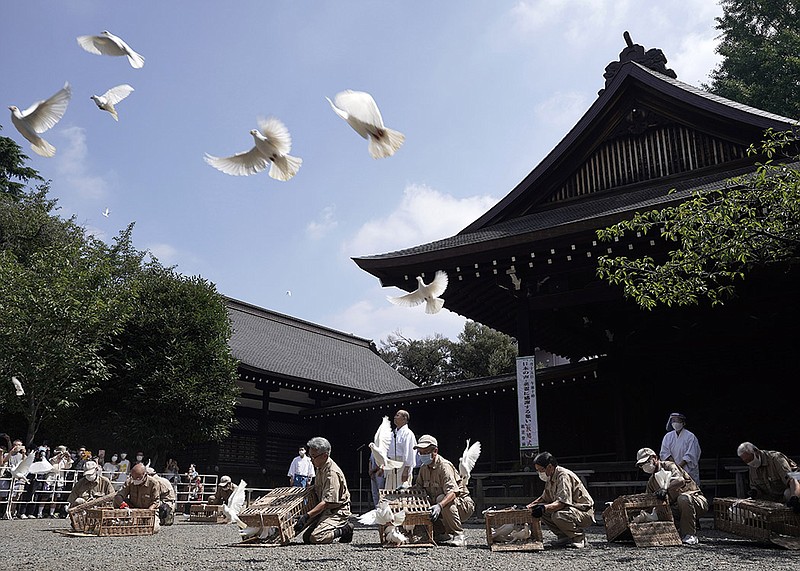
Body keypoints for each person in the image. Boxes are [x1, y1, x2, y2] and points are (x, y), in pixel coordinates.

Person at [412, 434, 474, 547]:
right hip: (440, 504)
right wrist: (406, 489)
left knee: (441, 498)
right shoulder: (423, 468)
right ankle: (440, 533)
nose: (422, 455)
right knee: (421, 500)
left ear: (435, 451)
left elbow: (453, 492)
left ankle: (458, 534)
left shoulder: (444, 467)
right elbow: (419, 489)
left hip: (462, 505)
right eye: (420, 452)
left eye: (425, 452)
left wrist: (439, 506)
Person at [636, 447, 708, 545]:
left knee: (683, 498)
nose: (645, 466)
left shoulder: (669, 466)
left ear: (655, 458)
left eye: (646, 461)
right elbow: (648, 502)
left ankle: (689, 534)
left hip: (696, 501)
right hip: (676, 509)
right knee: (658, 513)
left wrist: (665, 488)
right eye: (641, 465)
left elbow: (680, 480)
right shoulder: (651, 482)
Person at [526, 451, 594, 549]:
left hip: (583, 512)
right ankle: (564, 537)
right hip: (570, 510)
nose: (540, 473)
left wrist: (543, 507)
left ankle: (579, 538)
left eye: (541, 470)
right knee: (542, 511)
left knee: (557, 515)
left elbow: (562, 503)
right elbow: (544, 498)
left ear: (549, 466)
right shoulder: (551, 477)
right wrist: (529, 507)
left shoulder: (563, 476)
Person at [293, 437, 354, 544]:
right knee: (307, 538)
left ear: (324, 456)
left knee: (317, 537)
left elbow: (327, 502)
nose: (311, 459)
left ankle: (345, 529)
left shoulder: (332, 473)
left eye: (313, 456)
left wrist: (307, 516)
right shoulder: (319, 467)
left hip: (337, 511)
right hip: (326, 510)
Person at [737, 442, 800, 512]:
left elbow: (793, 480)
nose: (749, 463)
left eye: (750, 459)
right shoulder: (752, 467)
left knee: (788, 493)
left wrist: (795, 497)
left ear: (756, 452)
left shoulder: (775, 458)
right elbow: (755, 487)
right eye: (746, 462)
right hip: (773, 497)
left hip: (791, 491)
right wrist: (754, 492)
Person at [659, 412, 702, 486]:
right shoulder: (668, 436)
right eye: (673, 421)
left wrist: (679, 467)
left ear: (683, 422)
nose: (675, 423)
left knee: (690, 489)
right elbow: (665, 453)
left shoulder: (690, 436)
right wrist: (674, 467)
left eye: (678, 421)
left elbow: (691, 455)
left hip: (688, 470)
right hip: (672, 469)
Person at [385, 409, 417, 490]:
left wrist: (407, 469)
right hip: (391, 464)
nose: (395, 417)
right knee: (390, 489)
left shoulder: (408, 433)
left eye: (397, 415)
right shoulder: (392, 433)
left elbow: (410, 452)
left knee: (401, 490)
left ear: (404, 418)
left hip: (402, 464)